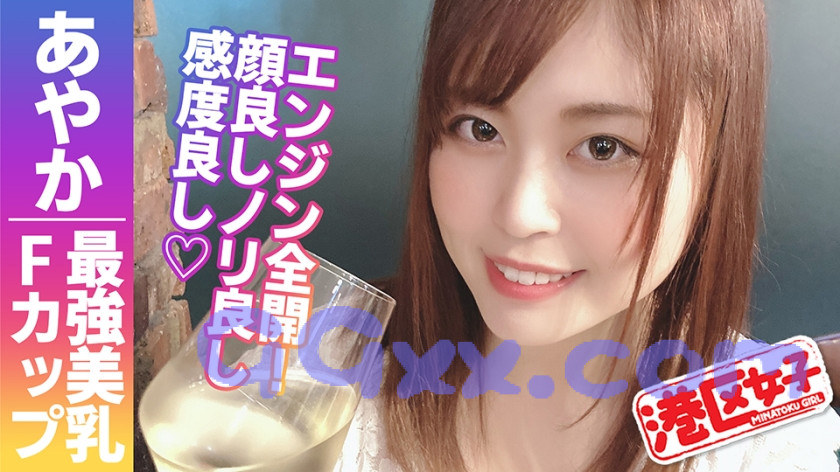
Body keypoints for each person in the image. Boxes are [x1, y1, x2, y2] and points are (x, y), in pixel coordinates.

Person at [334, 0, 840, 470]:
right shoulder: (323, 378)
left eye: (603, 146)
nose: (520, 214)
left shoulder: (766, 447)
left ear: (715, 166)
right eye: (480, 129)